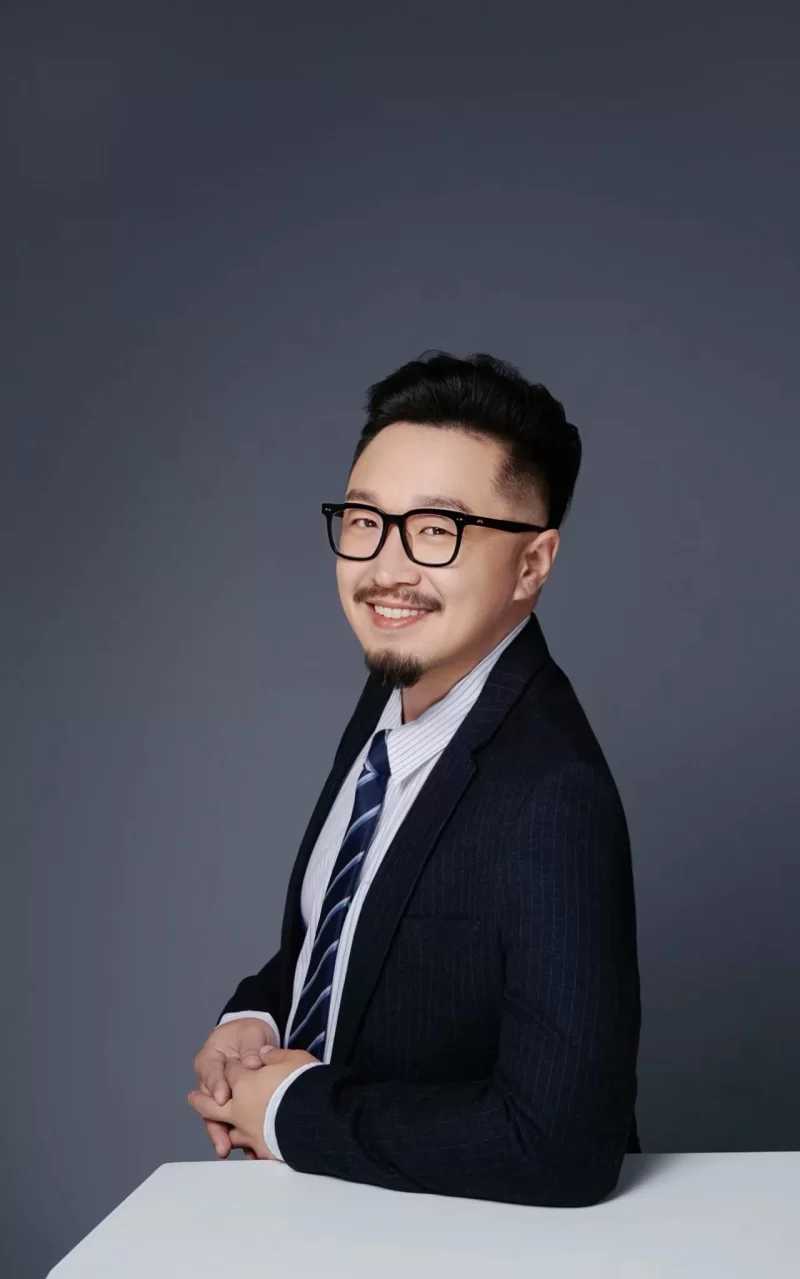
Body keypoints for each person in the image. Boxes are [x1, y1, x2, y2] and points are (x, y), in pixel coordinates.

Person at [188, 350, 642, 1207]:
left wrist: (288, 1112)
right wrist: (256, 1017)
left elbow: (561, 1147)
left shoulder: (553, 792)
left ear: (533, 564)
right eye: (365, 519)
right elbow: (356, 929)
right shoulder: (396, 683)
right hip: (334, 1219)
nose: (386, 569)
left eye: (437, 530)